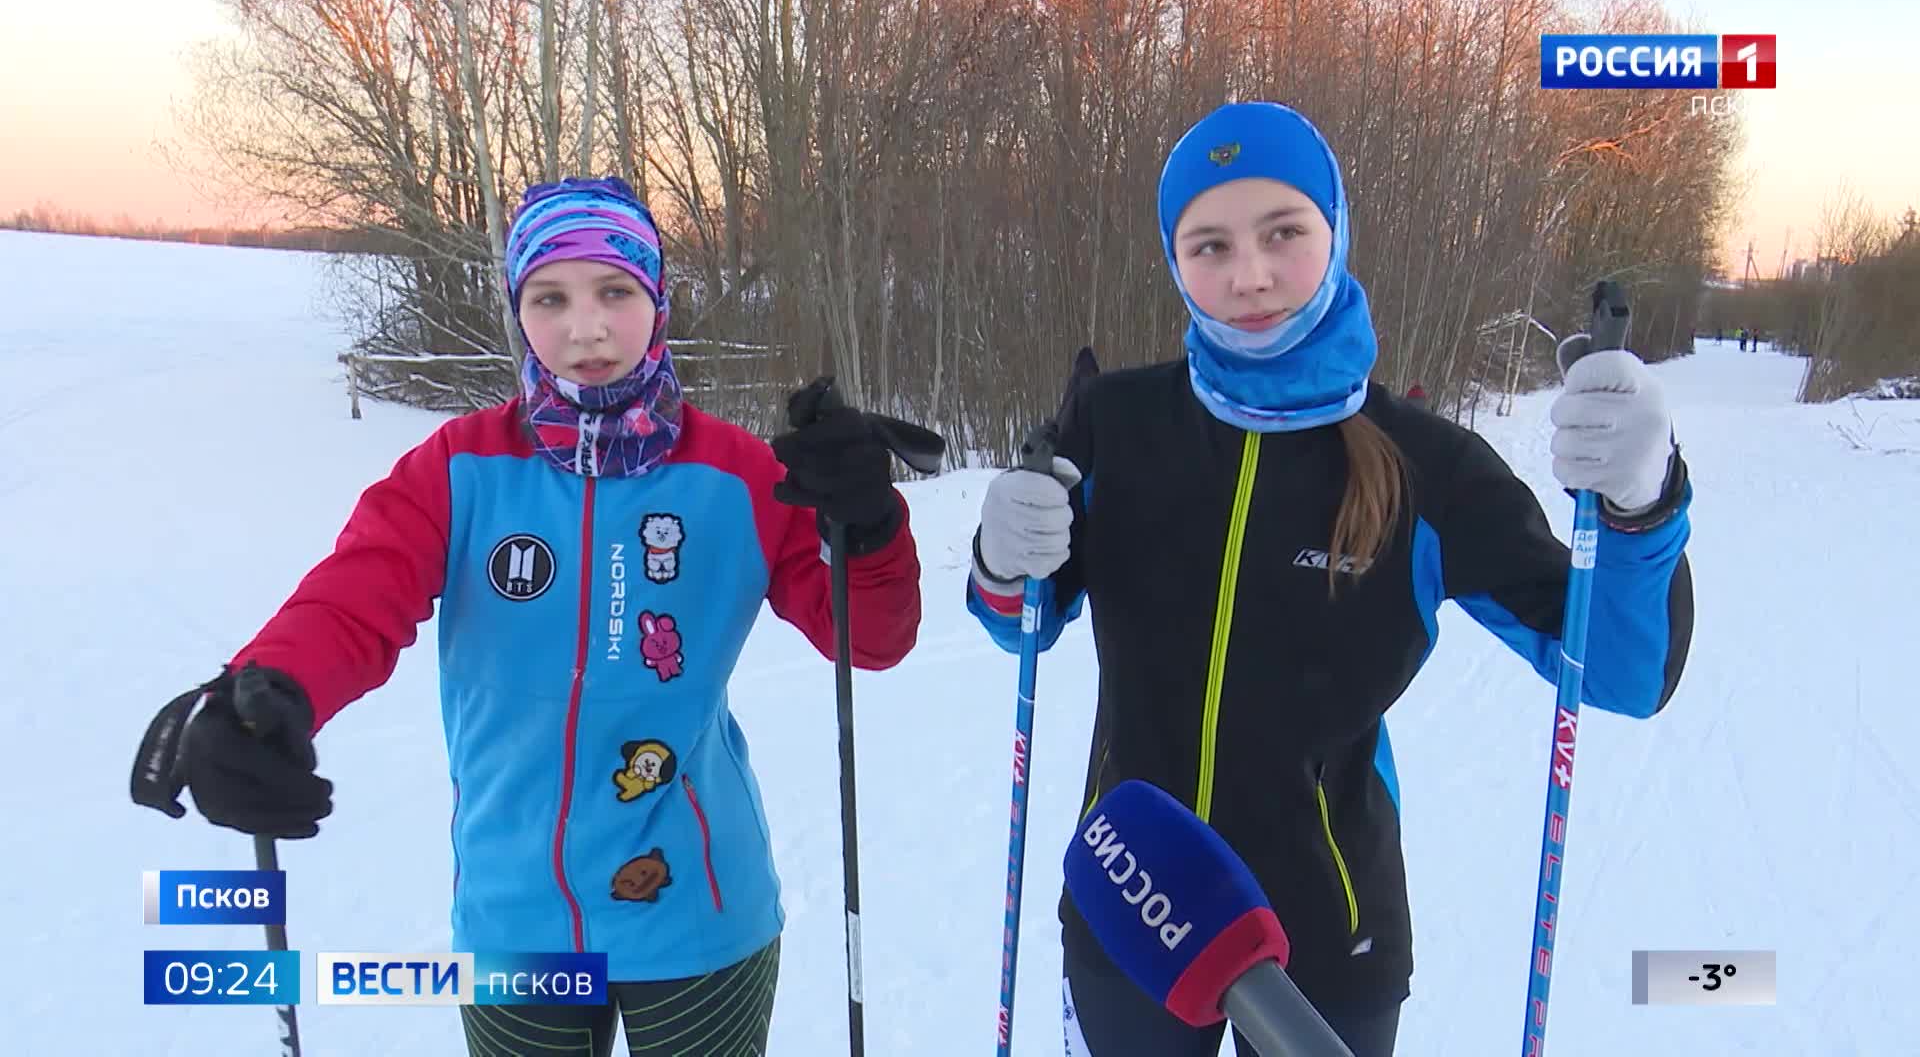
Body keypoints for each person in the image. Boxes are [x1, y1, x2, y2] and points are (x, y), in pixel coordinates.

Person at [964, 103, 1694, 1056]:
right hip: (1131, 901)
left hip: (1327, 941)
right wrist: (1000, 557)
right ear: (1173, 261)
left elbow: (1623, 674)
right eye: (1209, 245)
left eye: (1283, 233)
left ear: (1337, 231)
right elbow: (1020, 617)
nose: (1250, 275)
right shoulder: (1114, 423)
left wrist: (1644, 505)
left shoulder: (1427, 466)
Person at [134, 176, 923, 1056]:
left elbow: (873, 637)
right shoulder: (460, 469)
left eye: (614, 292)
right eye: (550, 298)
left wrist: (869, 529)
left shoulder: (740, 475)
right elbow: (355, 596)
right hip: (515, 916)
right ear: (520, 311)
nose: (585, 329)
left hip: (699, 915)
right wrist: (270, 687)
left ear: (656, 303)